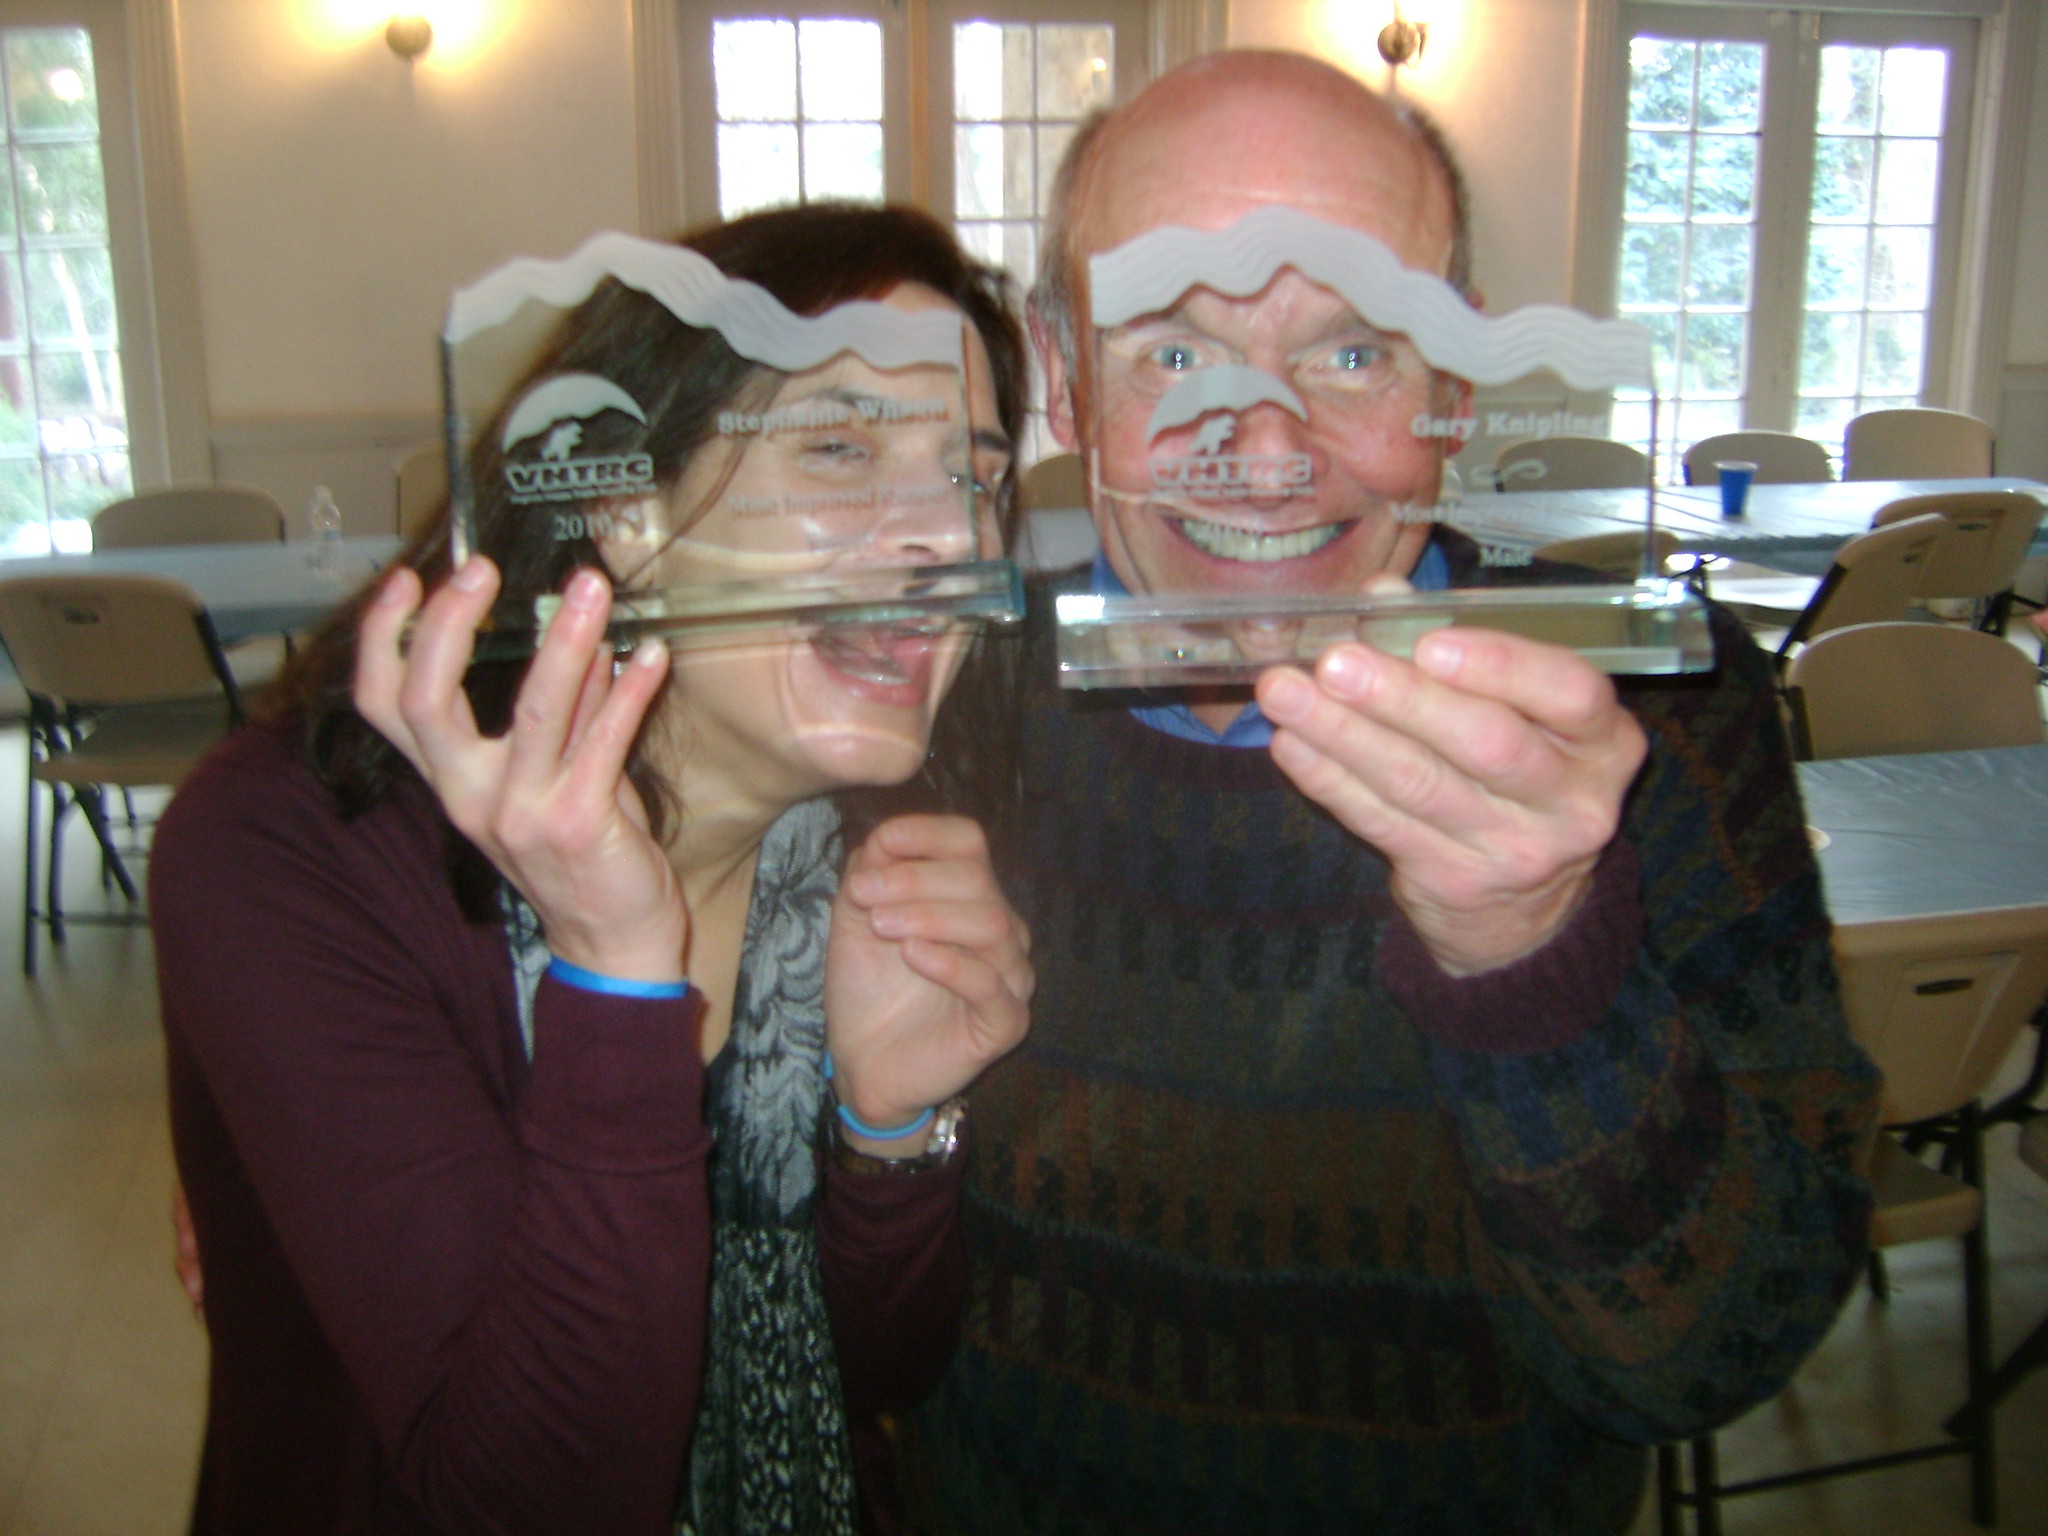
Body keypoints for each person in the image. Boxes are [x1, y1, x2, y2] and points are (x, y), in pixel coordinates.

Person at [899, 52, 1878, 1536]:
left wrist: (1538, 965)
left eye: (1356, 350)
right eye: (1171, 347)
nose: (1269, 447)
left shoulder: (1655, 712)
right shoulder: (931, 710)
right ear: (1064, 374)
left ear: (1457, 382)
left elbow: (1709, 1358)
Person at [153, 204, 1034, 1536]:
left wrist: (891, 1133)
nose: (945, 539)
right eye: (842, 448)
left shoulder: (894, 846)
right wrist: (621, 986)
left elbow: (878, 1377)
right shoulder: (294, 848)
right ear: (620, 505)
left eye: (973, 475)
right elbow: (527, 1500)